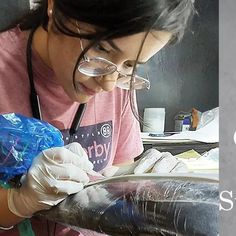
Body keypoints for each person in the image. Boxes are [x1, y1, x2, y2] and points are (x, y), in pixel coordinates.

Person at [0, 0, 194, 235]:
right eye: (101, 50)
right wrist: (17, 202)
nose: (109, 83)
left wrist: (140, 180)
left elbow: (116, 170)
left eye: (131, 64)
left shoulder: (120, 81)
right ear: (55, 7)